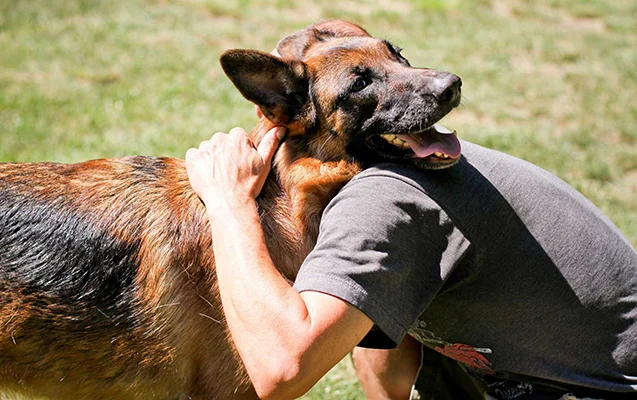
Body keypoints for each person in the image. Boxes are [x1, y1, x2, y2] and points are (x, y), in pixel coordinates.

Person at [185, 126, 637, 400]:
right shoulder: (396, 181)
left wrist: (230, 201)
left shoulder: (386, 200)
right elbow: (375, 322)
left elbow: (281, 368)